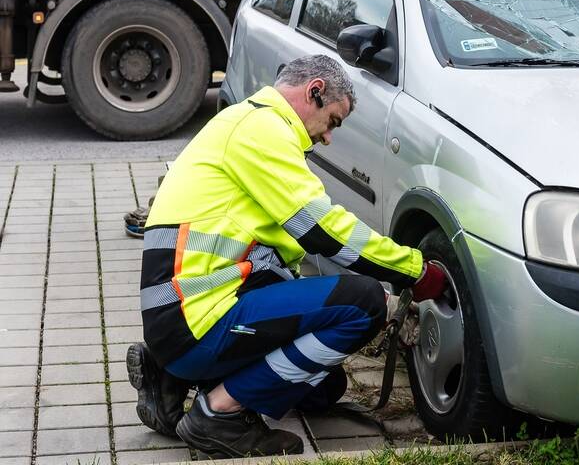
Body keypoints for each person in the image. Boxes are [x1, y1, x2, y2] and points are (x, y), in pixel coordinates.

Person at [125, 55, 448, 457]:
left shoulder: (240, 121)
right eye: (333, 121)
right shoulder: (263, 131)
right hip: (197, 321)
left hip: (183, 315)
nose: (329, 138)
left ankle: (169, 379)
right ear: (314, 91)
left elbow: (281, 254)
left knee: (324, 389)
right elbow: (323, 230)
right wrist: (415, 272)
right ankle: (220, 413)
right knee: (362, 303)